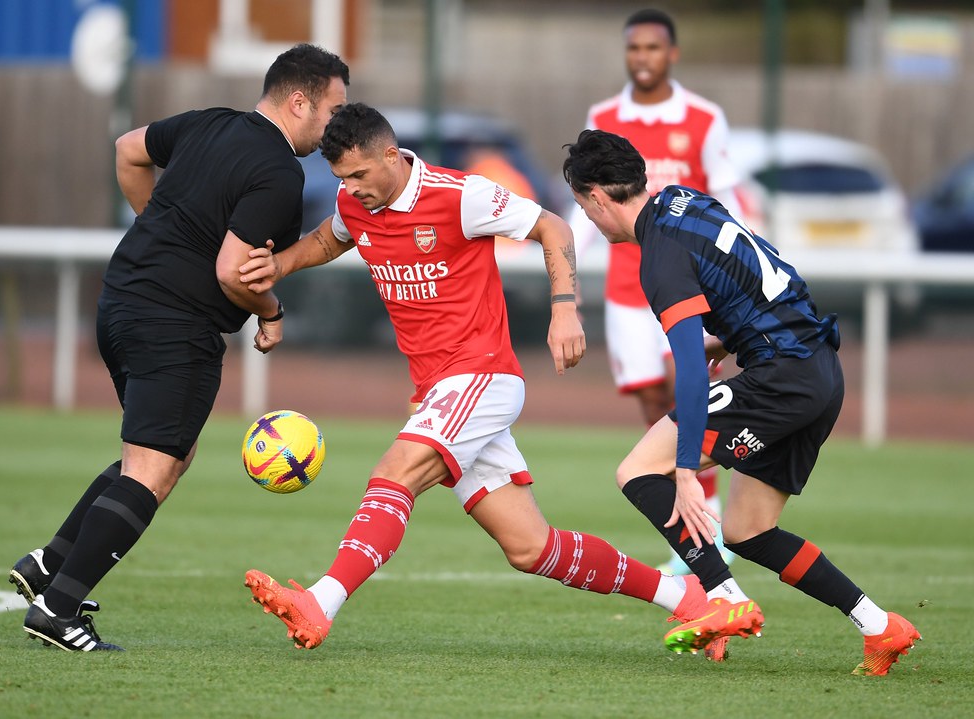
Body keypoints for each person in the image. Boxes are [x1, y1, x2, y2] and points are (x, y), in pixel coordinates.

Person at [237, 103, 729, 659]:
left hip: (480, 374)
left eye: (358, 175)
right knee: (531, 547)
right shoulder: (356, 203)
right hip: (437, 389)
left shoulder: (459, 196)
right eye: (340, 179)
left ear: (392, 157)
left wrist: (565, 308)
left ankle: (320, 603)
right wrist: (279, 267)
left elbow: (554, 225)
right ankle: (688, 596)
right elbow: (332, 237)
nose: (350, 189)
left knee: (395, 473)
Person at [6, 44, 350, 652]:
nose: (336, 126)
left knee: (165, 453)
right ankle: (57, 611)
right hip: (176, 324)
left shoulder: (210, 122)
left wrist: (155, 229)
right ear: (299, 101)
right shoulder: (278, 171)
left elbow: (128, 151)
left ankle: (49, 569)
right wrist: (271, 314)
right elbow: (231, 271)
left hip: (120, 302)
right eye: (332, 110)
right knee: (152, 468)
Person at [561, 128, 921, 676]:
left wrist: (685, 471)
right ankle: (881, 627)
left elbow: (685, 371)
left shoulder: (658, 258)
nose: (588, 218)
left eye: (584, 207)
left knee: (638, 471)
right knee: (747, 530)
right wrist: (727, 341)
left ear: (596, 196)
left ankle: (722, 596)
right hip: (820, 370)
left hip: (781, 376)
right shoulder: (686, 199)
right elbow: (767, 276)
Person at [569, 8, 744, 574]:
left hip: (687, 283)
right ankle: (691, 524)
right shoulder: (605, 116)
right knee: (653, 405)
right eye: (633, 48)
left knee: (688, 388)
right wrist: (565, 276)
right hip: (627, 289)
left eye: (652, 47)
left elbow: (728, 196)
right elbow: (589, 202)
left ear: (672, 54)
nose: (641, 57)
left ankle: (707, 530)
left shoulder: (702, 117)